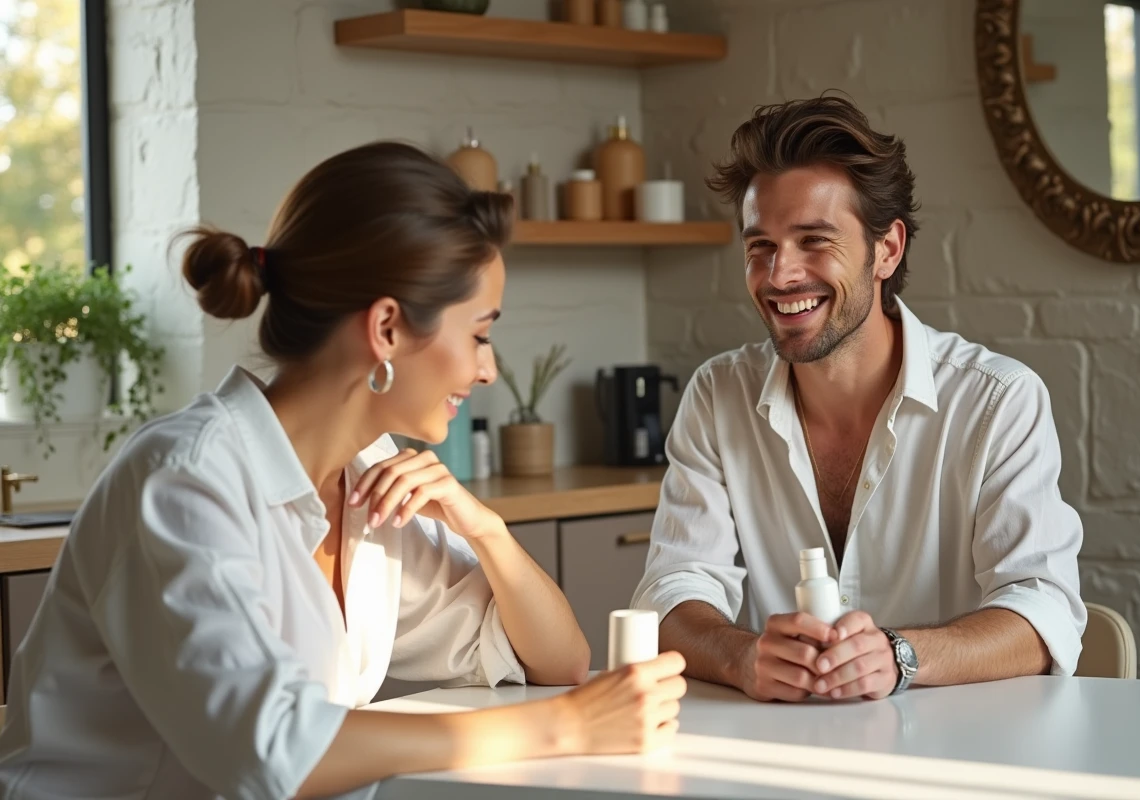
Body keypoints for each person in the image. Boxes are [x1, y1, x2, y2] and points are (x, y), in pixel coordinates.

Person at [0, 142, 686, 799]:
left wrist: (489, 533)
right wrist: (563, 727)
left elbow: (554, 660)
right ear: (386, 329)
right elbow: (273, 752)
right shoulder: (184, 481)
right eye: (478, 333)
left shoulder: (366, 482)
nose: (487, 368)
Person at [631, 95, 1085, 703]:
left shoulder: (998, 401)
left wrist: (901, 657)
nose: (779, 275)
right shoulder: (718, 396)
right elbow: (671, 591)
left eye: (814, 240)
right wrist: (743, 658)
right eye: (760, 246)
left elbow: (1044, 611)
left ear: (888, 250)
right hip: (782, 748)